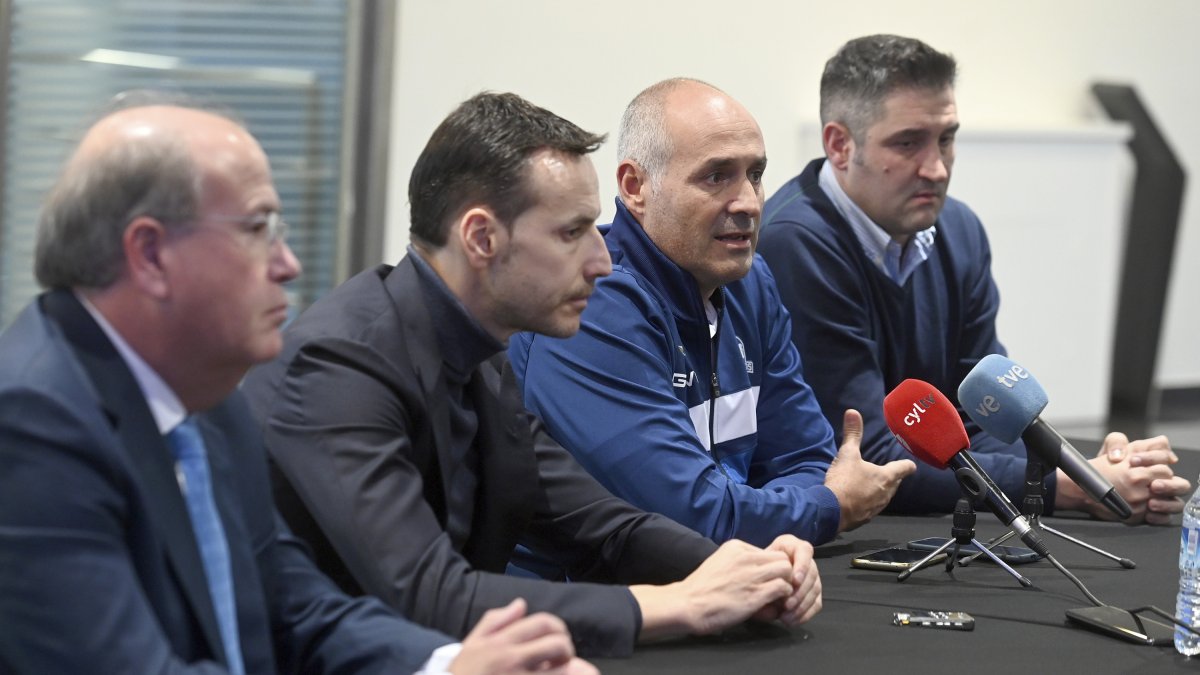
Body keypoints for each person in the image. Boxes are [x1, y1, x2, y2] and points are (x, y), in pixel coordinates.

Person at [0, 95, 597, 674]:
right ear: (151, 254)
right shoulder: (30, 426)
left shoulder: (208, 406)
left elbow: (300, 612)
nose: (289, 264)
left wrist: (448, 665)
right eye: (258, 228)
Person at [241, 91, 822, 660]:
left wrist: (741, 568)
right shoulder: (341, 364)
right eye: (572, 233)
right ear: (481, 239)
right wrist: (675, 605)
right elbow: (427, 592)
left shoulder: (481, 354)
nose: (600, 260)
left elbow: (599, 523)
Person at [758, 34, 1191, 521]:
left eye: (946, 138)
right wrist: (1062, 488)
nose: (937, 168)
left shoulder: (958, 229)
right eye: (907, 143)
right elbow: (868, 457)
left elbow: (981, 414)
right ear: (840, 145)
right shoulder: (794, 244)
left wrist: (1093, 471)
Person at [507, 78, 915, 549]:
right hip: (582, 603)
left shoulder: (751, 281)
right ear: (635, 187)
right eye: (716, 176)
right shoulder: (594, 301)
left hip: (715, 579)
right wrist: (828, 506)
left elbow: (806, 458)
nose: (748, 202)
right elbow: (692, 515)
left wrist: (762, 512)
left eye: (755, 174)